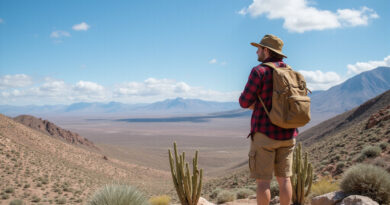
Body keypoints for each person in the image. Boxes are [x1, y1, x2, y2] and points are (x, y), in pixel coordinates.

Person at [239, 34, 298, 205]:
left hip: (265, 134)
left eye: (258, 48)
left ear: (266, 50)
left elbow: (244, 101)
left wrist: (254, 103)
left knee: (263, 182)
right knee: (285, 179)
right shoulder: (290, 71)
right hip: (288, 134)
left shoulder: (259, 71)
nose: (256, 51)